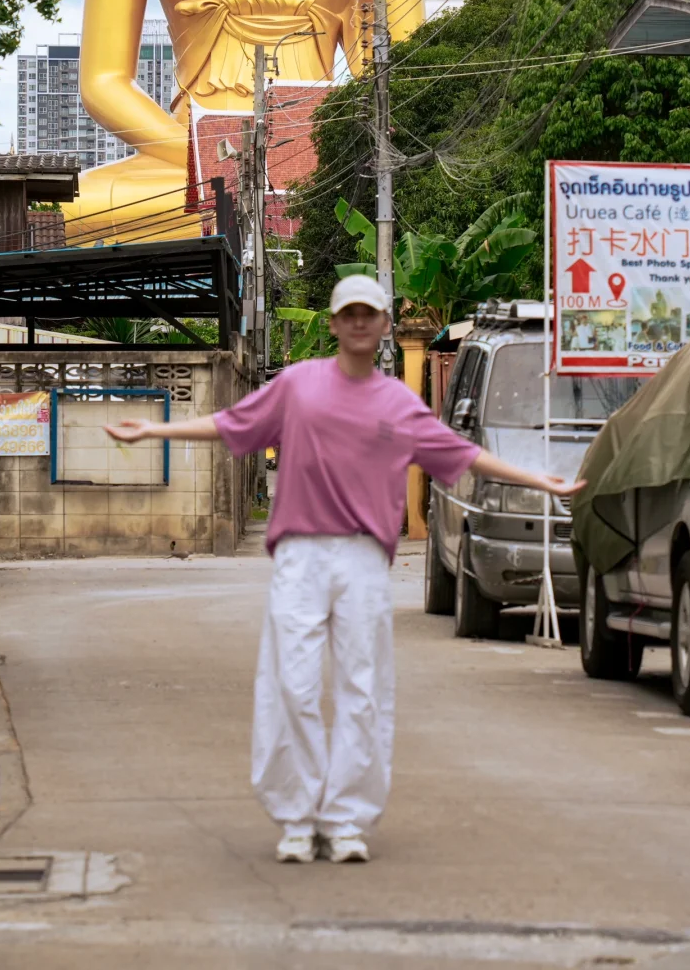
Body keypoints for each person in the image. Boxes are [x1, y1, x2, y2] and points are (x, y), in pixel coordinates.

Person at [106, 275, 585, 865]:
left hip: (361, 558)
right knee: (293, 683)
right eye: (348, 314)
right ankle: (298, 816)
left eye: (370, 314)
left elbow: (462, 455)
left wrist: (541, 479)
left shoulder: (399, 405)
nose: (359, 323)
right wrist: (154, 428)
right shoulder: (299, 385)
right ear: (334, 323)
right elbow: (234, 425)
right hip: (301, 555)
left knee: (361, 688)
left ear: (385, 325)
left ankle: (347, 820)